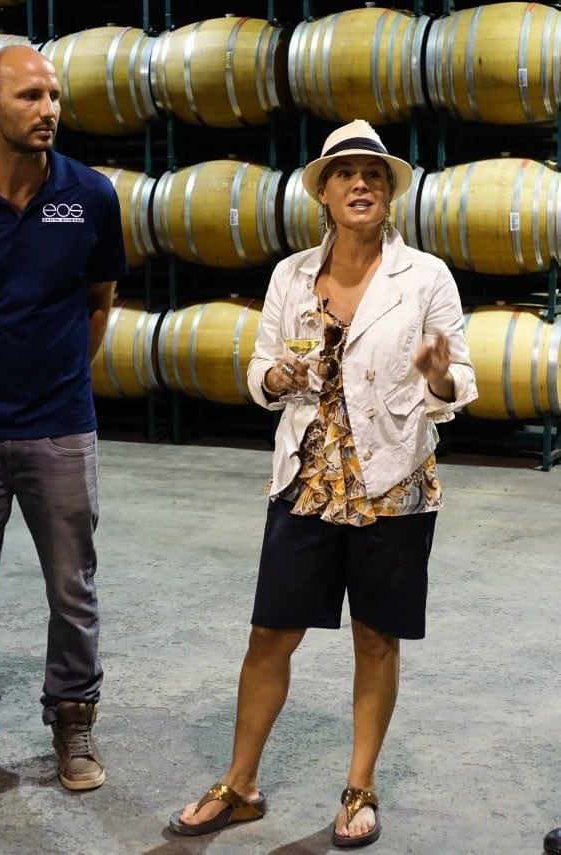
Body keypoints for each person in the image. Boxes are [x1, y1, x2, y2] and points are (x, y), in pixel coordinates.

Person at [168, 119, 478, 847]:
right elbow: (262, 368)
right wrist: (275, 376)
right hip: (307, 478)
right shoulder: (291, 274)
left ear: (390, 190)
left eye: (374, 173)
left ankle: (359, 787)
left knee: (375, 637)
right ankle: (239, 782)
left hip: (392, 479)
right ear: (325, 193)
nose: (361, 183)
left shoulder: (425, 276)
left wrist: (439, 377)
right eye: (346, 174)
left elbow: (461, 380)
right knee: (270, 633)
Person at [0, 45, 127, 790]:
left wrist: (64, 375)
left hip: (59, 424)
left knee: (72, 586)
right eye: (29, 96)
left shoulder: (90, 195)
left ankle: (73, 718)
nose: (47, 109)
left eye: (54, 96)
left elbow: (100, 299)